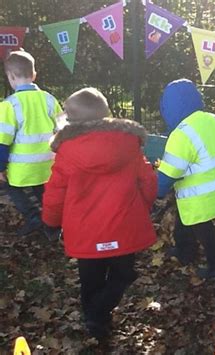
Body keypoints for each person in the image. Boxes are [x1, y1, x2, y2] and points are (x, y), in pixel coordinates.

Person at [42, 88, 157, 340]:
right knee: (124, 274)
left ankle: (95, 316)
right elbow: (148, 180)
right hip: (124, 226)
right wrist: (143, 207)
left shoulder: (67, 150)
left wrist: (50, 222)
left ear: (72, 121)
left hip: (85, 231)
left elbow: (55, 191)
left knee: (90, 279)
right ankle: (100, 315)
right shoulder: (129, 142)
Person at [156, 79, 215, 282]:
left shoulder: (181, 135)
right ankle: (184, 250)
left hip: (204, 199)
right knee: (184, 214)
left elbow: (167, 177)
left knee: (205, 232)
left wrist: (151, 191)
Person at [0, 50, 62, 237]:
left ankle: (34, 217)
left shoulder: (9, 105)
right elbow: (63, 130)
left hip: (21, 169)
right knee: (44, 193)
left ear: (10, 77)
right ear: (34, 74)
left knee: (11, 188)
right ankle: (52, 225)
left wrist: (0, 168)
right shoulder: (50, 100)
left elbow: (3, 141)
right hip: (47, 165)